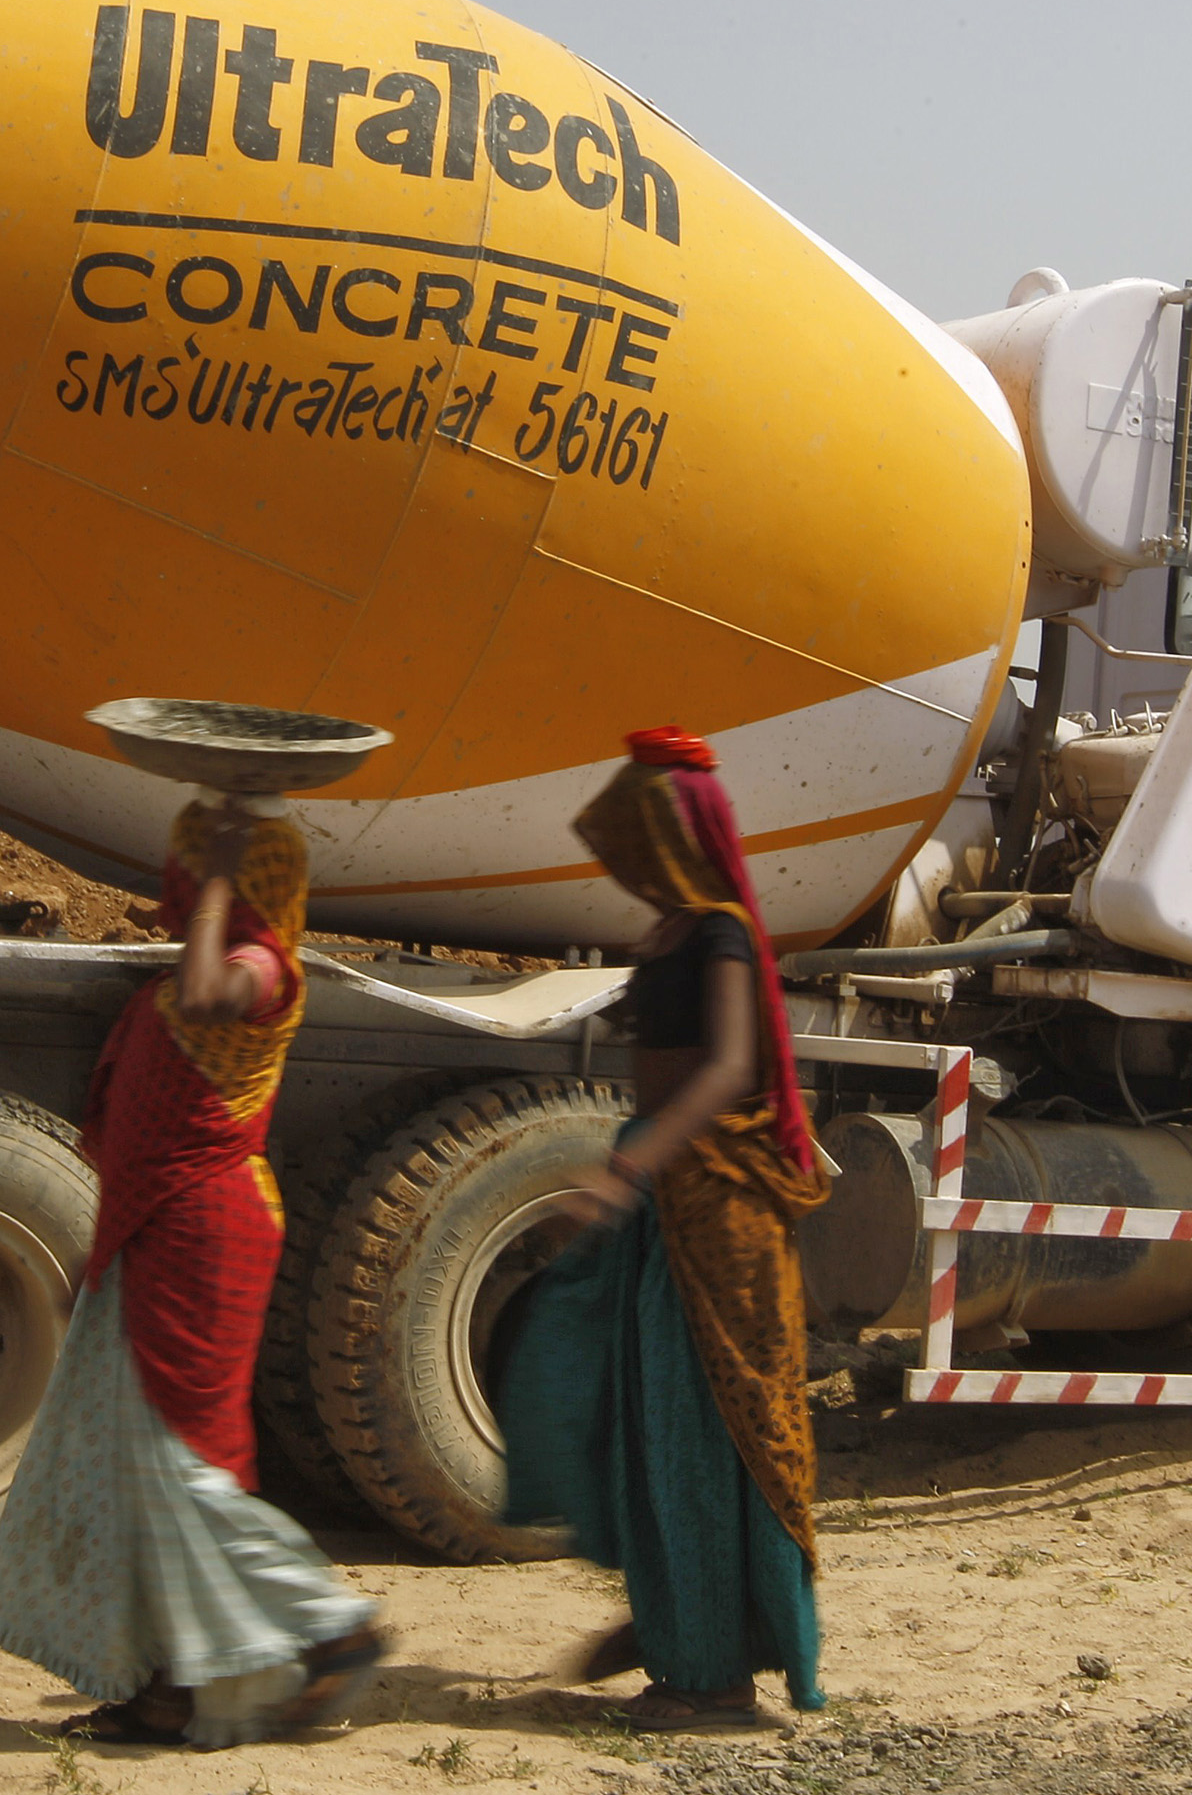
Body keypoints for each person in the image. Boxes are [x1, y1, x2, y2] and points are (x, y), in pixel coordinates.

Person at [0, 794, 383, 1748]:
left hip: (209, 1230)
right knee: (132, 1457)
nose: (180, 878)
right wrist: (101, 1253)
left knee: (180, 1464)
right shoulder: (218, 952)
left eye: (196, 866)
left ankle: (327, 1626)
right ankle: (164, 1688)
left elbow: (202, 997)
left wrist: (222, 887)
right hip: (161, 1227)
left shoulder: (261, 964)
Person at [501, 726, 831, 1732]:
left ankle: (713, 1675)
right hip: (664, 1194)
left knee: (697, 1431)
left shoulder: (723, 930)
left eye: (640, 841)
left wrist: (625, 1170)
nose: (624, 862)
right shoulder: (677, 929)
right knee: (625, 1412)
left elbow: (729, 1066)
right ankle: (673, 1621)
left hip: (710, 1205)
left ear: (676, 840)